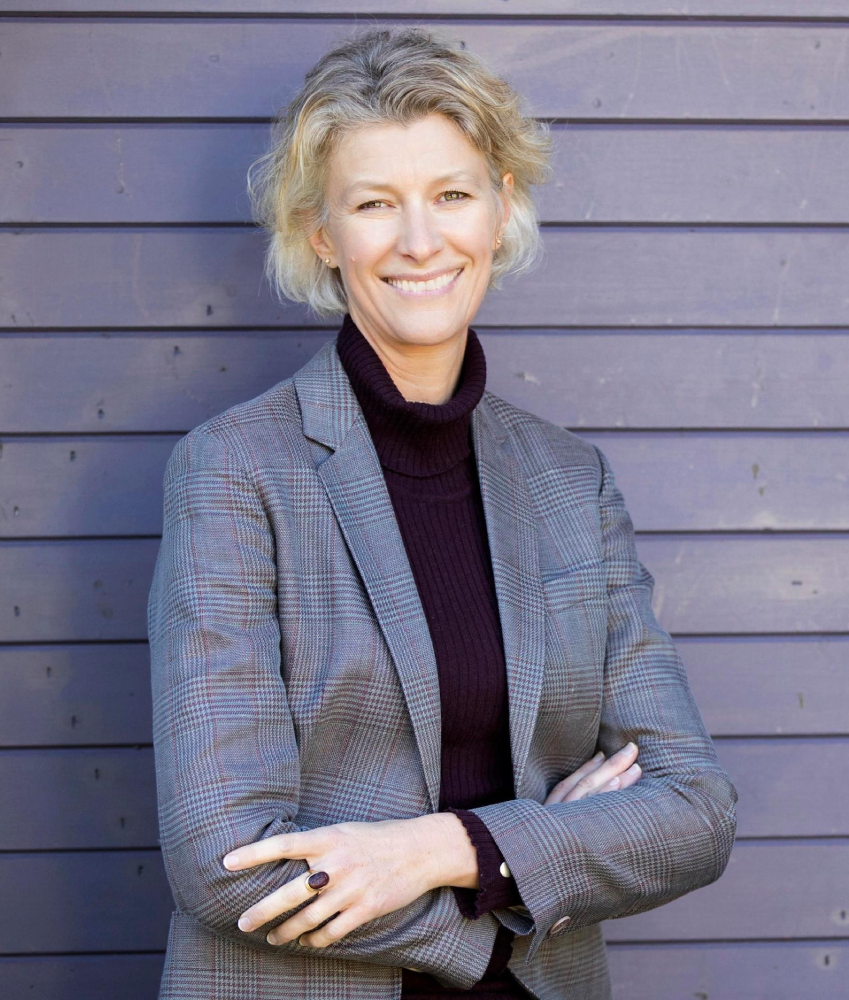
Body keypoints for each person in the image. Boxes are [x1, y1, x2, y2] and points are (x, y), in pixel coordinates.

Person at [147, 25, 737, 1000]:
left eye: (451, 194)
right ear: (319, 235)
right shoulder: (232, 472)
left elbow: (693, 813)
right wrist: (524, 871)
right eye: (375, 203)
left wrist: (440, 848)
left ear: (501, 207)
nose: (420, 242)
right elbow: (228, 864)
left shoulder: (568, 480)